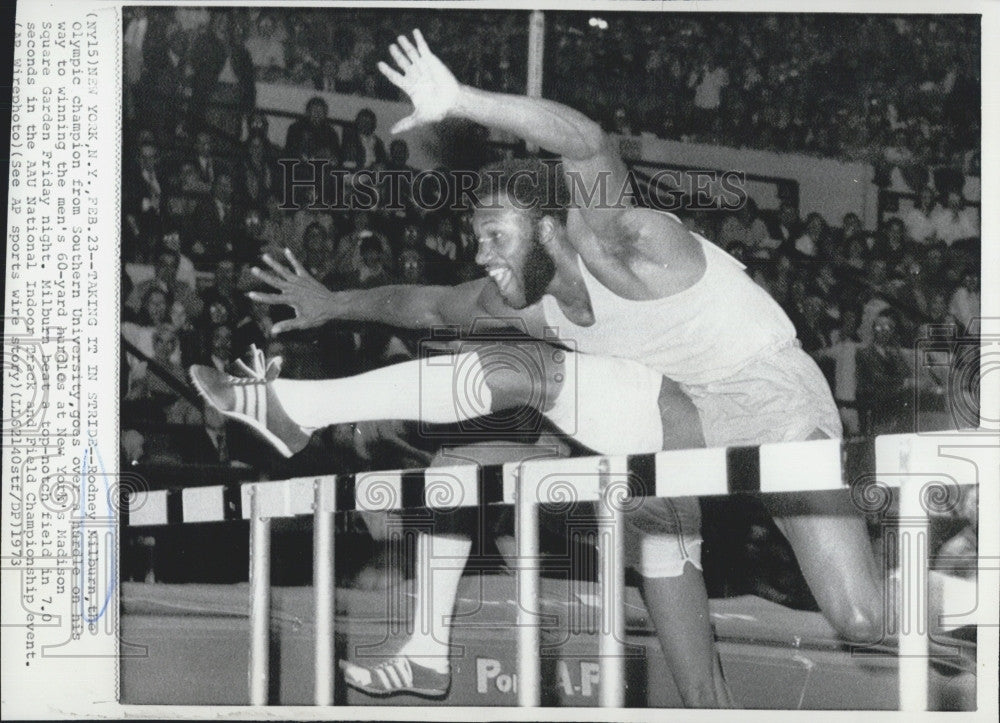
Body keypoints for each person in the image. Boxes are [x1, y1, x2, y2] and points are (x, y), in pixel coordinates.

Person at [192, 31, 961, 705]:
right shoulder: (529, 305)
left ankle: (957, 589)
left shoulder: (625, 244)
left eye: (494, 236)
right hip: (666, 421)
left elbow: (588, 142)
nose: (481, 255)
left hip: (772, 401)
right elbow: (426, 307)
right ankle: (420, 634)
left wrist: (463, 98)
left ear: (552, 231)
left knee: (861, 619)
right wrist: (331, 302)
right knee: (482, 433)